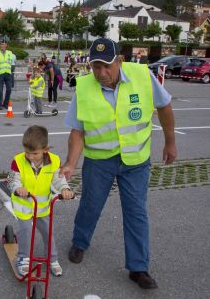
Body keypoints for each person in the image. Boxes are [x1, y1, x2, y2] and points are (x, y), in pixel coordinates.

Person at [61, 38, 177, 290]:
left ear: (119, 60)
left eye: (107, 66)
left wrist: (170, 142)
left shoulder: (142, 76)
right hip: (99, 160)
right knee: (90, 205)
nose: (102, 73)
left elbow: (165, 106)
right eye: (96, 67)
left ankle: (138, 268)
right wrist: (70, 163)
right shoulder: (83, 88)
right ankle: (80, 243)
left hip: (135, 160)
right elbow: (77, 132)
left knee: (136, 212)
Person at [8, 125, 74, 277]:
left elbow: (59, 180)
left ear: (46, 149)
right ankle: (23, 258)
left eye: (34, 153)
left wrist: (65, 189)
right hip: (23, 205)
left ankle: (52, 259)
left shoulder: (54, 161)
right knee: (26, 231)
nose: (30, 156)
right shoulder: (18, 160)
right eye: (27, 153)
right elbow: (12, 181)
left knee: (47, 232)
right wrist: (18, 189)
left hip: (43, 207)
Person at [0, 39, 13, 110]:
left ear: (6, 45)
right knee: (0, 90)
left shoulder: (10, 53)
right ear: (0, 45)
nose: (2, 45)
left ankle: (5, 104)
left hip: (8, 73)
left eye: (4, 44)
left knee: (9, 89)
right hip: (0, 74)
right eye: (1, 44)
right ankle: (0, 105)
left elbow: (12, 63)